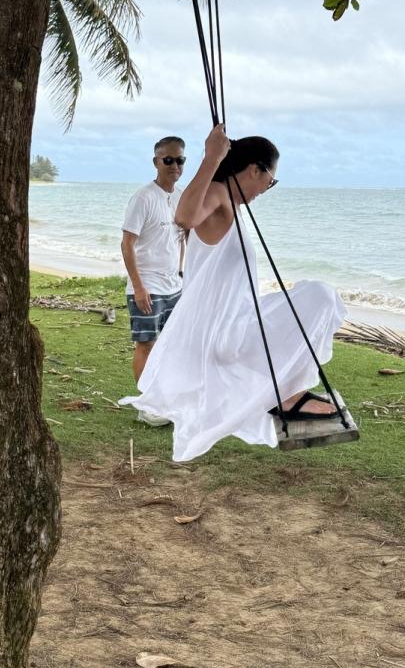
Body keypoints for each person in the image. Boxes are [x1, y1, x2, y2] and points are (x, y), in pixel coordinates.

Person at [121, 125, 346, 461]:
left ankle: (288, 395)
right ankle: (287, 398)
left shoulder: (231, 205)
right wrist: (211, 157)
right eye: (270, 181)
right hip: (227, 331)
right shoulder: (219, 194)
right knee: (321, 296)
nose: (266, 189)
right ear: (255, 170)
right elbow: (184, 217)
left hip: (238, 321)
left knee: (317, 298)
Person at [120, 136, 187, 396]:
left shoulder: (182, 197)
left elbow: (183, 238)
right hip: (147, 286)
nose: (175, 166)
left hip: (174, 286)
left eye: (180, 160)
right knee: (146, 344)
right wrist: (138, 287)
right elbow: (127, 243)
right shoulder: (144, 197)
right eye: (168, 160)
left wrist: (182, 271)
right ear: (156, 162)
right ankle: (145, 400)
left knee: (170, 344)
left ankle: (163, 395)